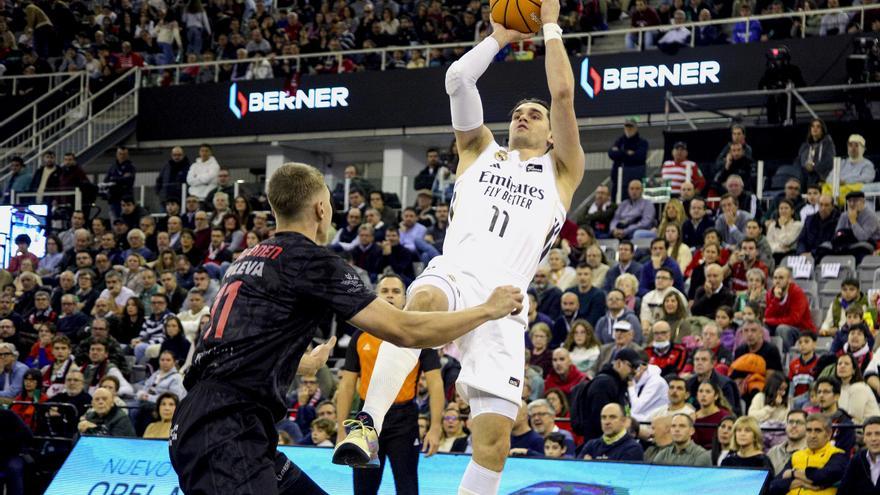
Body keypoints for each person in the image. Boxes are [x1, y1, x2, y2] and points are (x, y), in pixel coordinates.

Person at [335, 6, 584, 493]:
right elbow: (457, 80)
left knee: (493, 444)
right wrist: (499, 38)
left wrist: (551, 24)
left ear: (552, 134)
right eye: (517, 113)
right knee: (421, 301)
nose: (523, 117)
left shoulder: (561, 171)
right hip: (457, 273)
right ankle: (368, 423)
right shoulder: (479, 149)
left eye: (533, 116)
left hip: (505, 303)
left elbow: (562, 94)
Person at [169, 163, 523, 495]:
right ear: (321, 209)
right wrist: (486, 310)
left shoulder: (247, 257)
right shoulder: (311, 261)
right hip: (226, 429)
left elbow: (232, 346)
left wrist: (301, 363)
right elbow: (405, 330)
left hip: (216, 421)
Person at [335, 275, 445, 495]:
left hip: (404, 420)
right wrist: (340, 429)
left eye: (396, 291)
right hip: (366, 419)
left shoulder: (418, 334)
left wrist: (435, 427)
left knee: (407, 487)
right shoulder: (360, 336)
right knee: (363, 489)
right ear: (376, 295)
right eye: (385, 291)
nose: (390, 296)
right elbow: (346, 385)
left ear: (405, 297)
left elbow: (435, 384)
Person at [769, 413, 848, 495]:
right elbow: (773, 485)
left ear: (828, 434)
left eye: (818, 430)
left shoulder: (838, 454)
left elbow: (822, 477)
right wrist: (799, 483)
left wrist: (793, 473)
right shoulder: (796, 455)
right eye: (809, 430)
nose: (812, 435)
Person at [572, 348, 640, 441]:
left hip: (615, 441)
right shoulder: (603, 384)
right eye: (632, 366)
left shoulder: (620, 384)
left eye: (637, 368)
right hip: (601, 443)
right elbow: (599, 420)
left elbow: (625, 411)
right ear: (619, 363)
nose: (635, 371)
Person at [765, 266, 815, 352]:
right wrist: (776, 299)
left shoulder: (797, 293)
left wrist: (770, 321)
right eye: (775, 278)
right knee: (762, 327)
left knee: (782, 329)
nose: (777, 281)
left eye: (781, 278)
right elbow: (767, 315)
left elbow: (794, 319)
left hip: (801, 330)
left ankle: (786, 356)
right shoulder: (770, 294)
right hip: (779, 326)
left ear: (789, 280)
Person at [686, 347, 741, 415]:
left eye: (704, 359)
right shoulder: (688, 383)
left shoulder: (725, 384)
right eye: (696, 359)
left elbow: (729, 411)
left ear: (713, 363)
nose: (699, 363)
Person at [579, 403, 644, 461]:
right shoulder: (591, 445)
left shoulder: (633, 448)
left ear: (624, 421)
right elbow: (578, 468)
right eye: (603, 417)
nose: (607, 422)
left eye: (612, 417)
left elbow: (620, 471)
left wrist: (591, 465)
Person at [814, 377, 856, 455]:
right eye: (819, 392)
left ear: (836, 397)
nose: (821, 395)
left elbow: (843, 454)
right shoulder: (812, 421)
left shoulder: (846, 424)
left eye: (826, 392)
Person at [834, 190, 880, 261]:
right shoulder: (844, 215)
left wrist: (853, 221)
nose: (852, 204)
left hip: (869, 246)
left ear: (863, 202)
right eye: (849, 201)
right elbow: (837, 234)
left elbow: (863, 238)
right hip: (848, 244)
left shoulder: (871, 216)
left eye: (855, 201)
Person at [608, 118, 649, 196]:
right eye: (627, 126)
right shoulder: (619, 141)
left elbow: (640, 157)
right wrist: (626, 153)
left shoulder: (642, 142)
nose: (629, 129)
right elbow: (611, 153)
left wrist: (620, 154)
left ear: (636, 128)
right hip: (618, 180)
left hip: (635, 181)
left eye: (631, 127)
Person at [839, 415, 880, 492]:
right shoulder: (857, 460)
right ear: (864, 438)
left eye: (878, 434)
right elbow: (843, 490)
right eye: (868, 434)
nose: (873, 438)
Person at [794, 119, 836, 187]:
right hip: (805, 178)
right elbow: (798, 161)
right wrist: (805, 166)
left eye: (818, 126)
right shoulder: (805, 147)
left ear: (822, 130)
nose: (815, 128)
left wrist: (813, 167)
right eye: (813, 126)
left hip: (821, 179)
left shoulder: (828, 145)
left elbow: (829, 162)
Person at [797, 194, 839, 260]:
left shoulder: (838, 221)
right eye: (821, 204)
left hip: (827, 258)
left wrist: (812, 253)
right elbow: (801, 240)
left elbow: (832, 244)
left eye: (826, 205)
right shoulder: (809, 219)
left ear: (832, 206)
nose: (823, 208)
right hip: (806, 257)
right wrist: (802, 252)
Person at [767, 410, 808, 475]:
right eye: (790, 422)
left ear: (807, 427)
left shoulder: (811, 452)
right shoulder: (773, 452)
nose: (794, 425)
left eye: (799, 422)